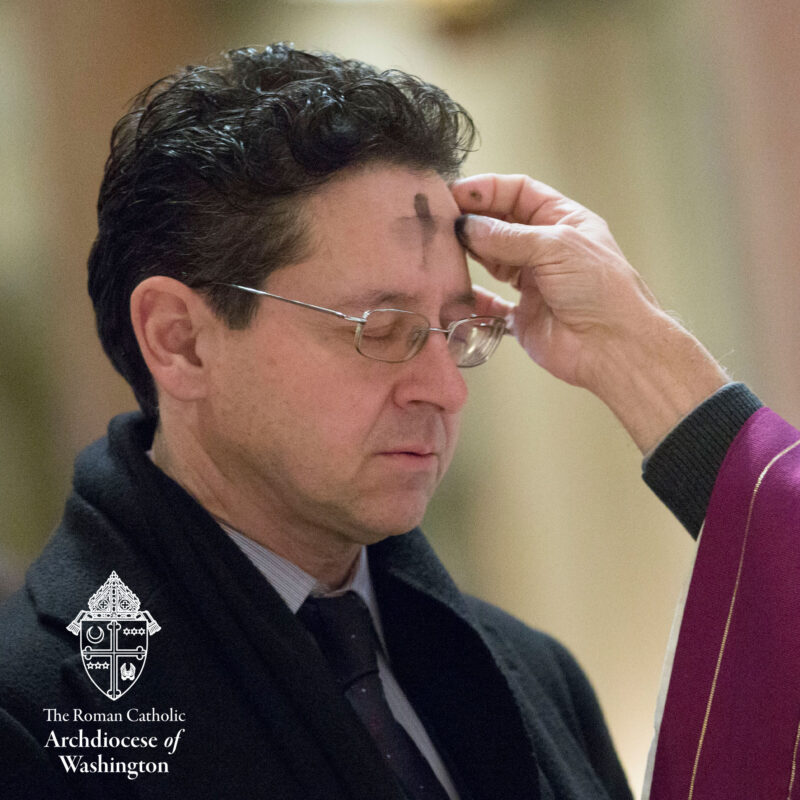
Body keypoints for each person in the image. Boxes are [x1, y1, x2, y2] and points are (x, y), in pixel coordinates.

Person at [0, 43, 795, 800]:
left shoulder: (536, 674)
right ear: (181, 341)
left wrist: (643, 355)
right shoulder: (40, 716)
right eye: (380, 331)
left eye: (457, 329)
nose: (446, 389)